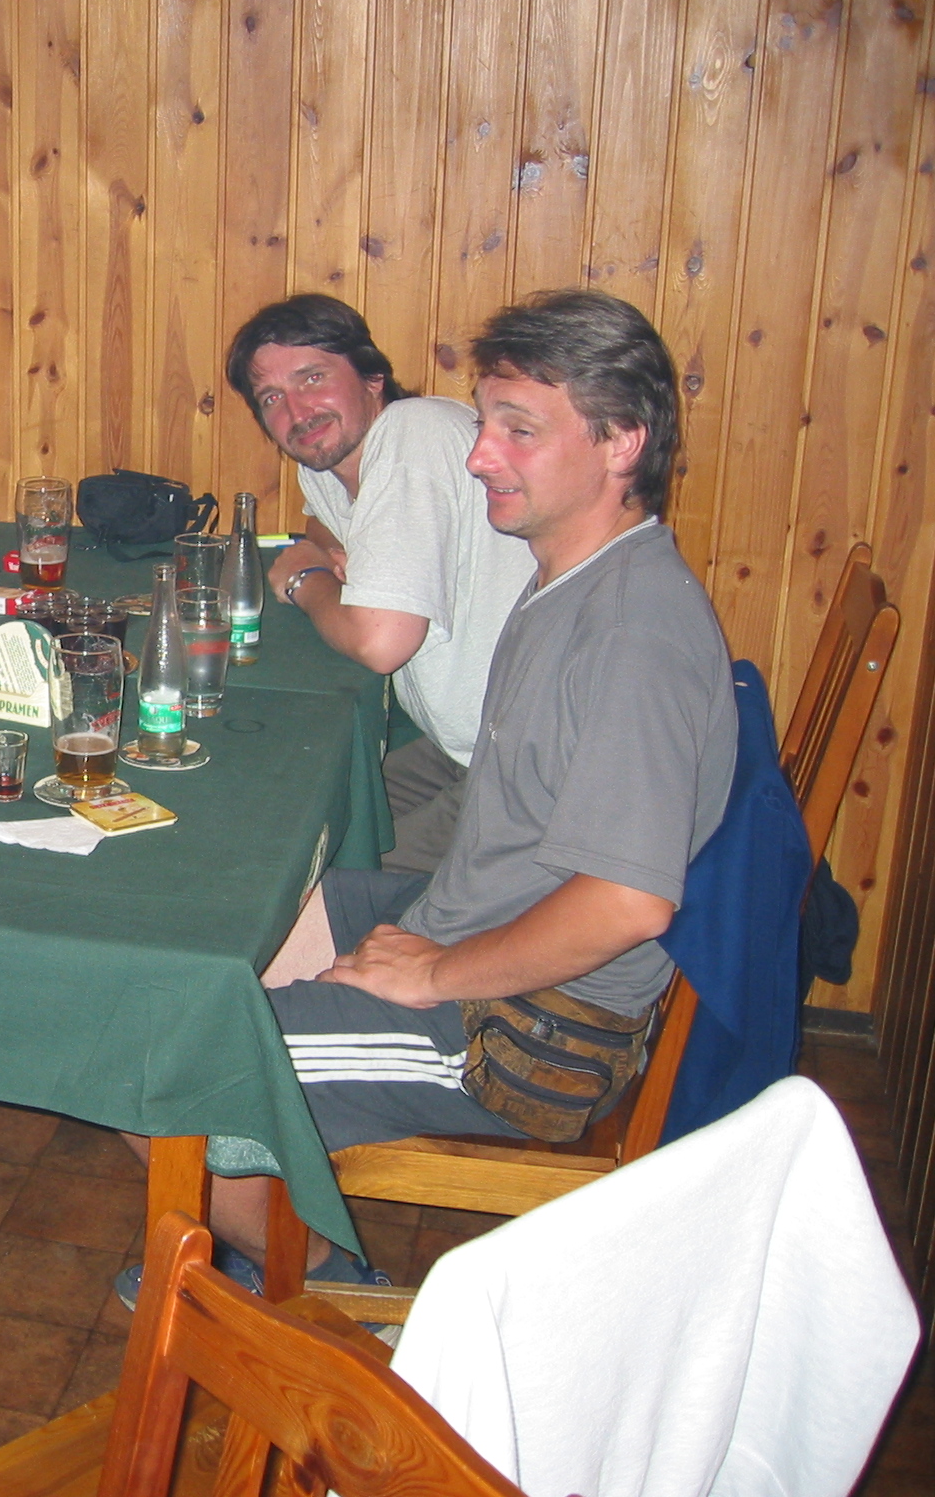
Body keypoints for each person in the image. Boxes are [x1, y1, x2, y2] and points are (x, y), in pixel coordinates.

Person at [127, 290, 739, 1298]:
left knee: (152, 1061)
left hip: (527, 1030)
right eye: (484, 423)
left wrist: (437, 973)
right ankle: (247, 1219)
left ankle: (333, 1298)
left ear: (621, 442)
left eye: (518, 431)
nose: (478, 455)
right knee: (214, 941)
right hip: (471, 918)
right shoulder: (568, 575)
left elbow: (627, 905)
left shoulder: (633, 635)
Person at [226, 295, 535, 873]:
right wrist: (329, 550)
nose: (298, 411)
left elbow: (380, 642)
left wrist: (307, 579)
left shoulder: (415, 432)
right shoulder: (328, 465)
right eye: (272, 398)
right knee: (284, 822)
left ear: (372, 377)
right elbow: (322, 522)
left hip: (530, 777)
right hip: (460, 750)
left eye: (312, 378)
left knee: (311, 884)